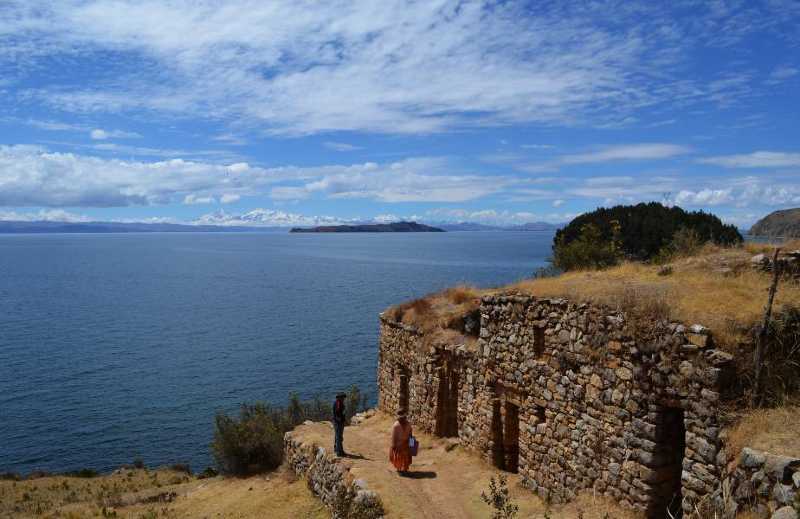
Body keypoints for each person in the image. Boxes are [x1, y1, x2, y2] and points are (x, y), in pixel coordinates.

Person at [332, 392, 347, 457]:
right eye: (343, 398)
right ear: (340, 398)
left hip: (337, 421)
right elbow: (338, 414)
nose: (344, 399)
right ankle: (340, 452)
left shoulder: (338, 403)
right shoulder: (338, 404)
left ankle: (336, 449)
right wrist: (341, 420)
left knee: (337, 436)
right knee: (339, 437)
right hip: (338, 423)